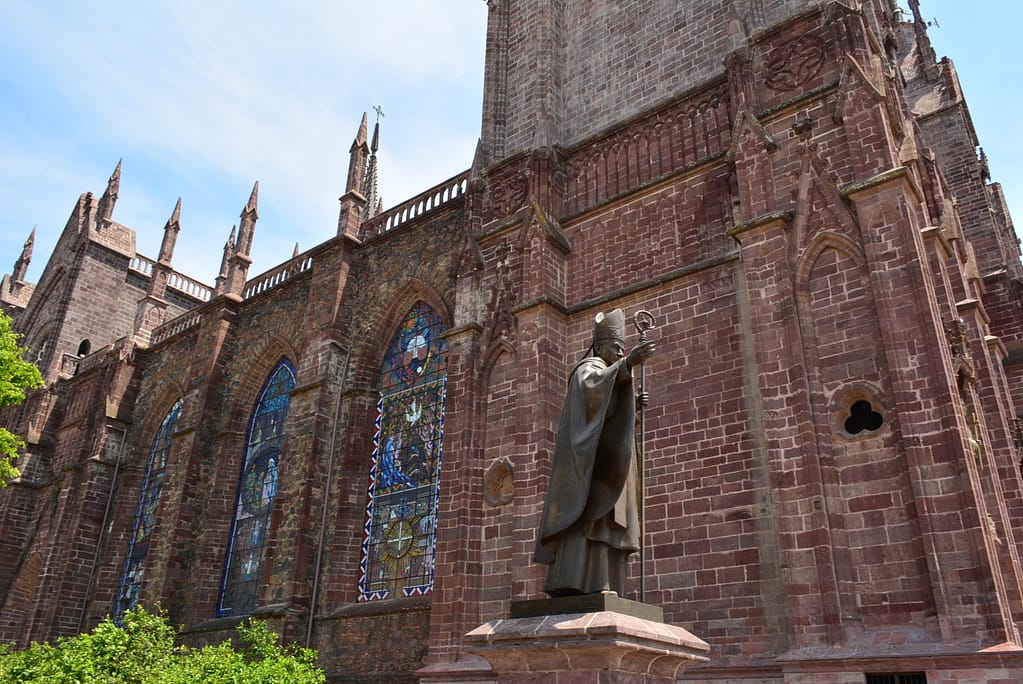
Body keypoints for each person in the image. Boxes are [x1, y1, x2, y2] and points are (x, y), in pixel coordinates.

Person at [534, 309, 656, 597]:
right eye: (615, 347)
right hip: (590, 470)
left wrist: (632, 405)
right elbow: (591, 393)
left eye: (622, 348)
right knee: (590, 521)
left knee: (607, 527)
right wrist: (628, 365)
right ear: (600, 346)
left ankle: (606, 584)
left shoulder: (610, 372)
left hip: (608, 464)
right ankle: (575, 582)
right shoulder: (586, 369)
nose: (619, 352)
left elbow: (609, 416)